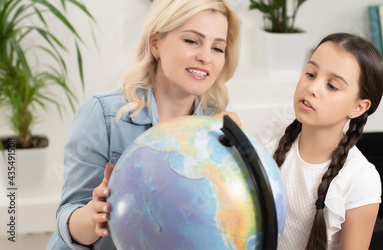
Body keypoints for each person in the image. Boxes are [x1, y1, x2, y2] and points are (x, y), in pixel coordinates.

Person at [47, 0, 240, 249]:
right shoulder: (103, 115)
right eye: (192, 41)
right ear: (156, 43)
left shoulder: (216, 127)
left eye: (217, 48)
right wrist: (94, 215)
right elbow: (69, 220)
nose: (205, 57)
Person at [258, 33, 383, 250]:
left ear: (359, 107)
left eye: (332, 86)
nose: (312, 88)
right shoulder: (270, 140)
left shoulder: (360, 179)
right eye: (310, 73)